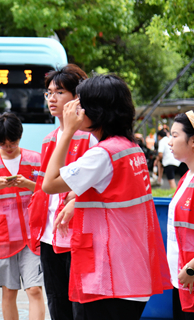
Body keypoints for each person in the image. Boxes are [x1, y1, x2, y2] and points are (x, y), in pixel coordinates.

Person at [41, 74, 171, 319]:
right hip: (130, 272)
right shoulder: (130, 148)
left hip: (108, 277)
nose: (75, 110)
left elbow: (49, 184)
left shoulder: (103, 154)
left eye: (81, 104)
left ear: (97, 111)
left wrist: (67, 132)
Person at [27, 64, 95, 320]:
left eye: (59, 92)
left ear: (77, 96)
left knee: (80, 308)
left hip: (78, 236)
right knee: (56, 304)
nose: (52, 98)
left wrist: (76, 198)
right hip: (49, 235)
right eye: (49, 93)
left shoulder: (90, 138)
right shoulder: (49, 139)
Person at [0, 112, 44, 320]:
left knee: (35, 290)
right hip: (4, 238)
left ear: (20, 137)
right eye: (3, 144)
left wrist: (29, 184)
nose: (8, 147)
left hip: (32, 236)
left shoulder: (36, 160)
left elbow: (47, 192)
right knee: (9, 292)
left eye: (12, 143)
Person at [166, 111, 194, 318]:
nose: (169, 142)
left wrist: (191, 269)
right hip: (182, 280)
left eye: (175, 135)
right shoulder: (187, 176)